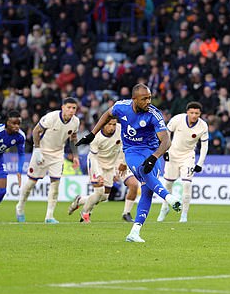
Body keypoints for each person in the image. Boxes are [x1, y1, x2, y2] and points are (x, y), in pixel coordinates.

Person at [76, 83, 181, 242]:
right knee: (143, 171)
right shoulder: (121, 107)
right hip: (132, 150)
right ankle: (168, 197)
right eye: (144, 99)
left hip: (151, 151)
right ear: (134, 99)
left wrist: (154, 157)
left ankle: (135, 232)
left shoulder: (154, 114)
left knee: (147, 191)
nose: (148, 102)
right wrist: (92, 134)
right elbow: (107, 114)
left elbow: (166, 141)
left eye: (150, 98)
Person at [15, 97, 80, 223]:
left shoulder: (75, 121)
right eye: (69, 108)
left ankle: (49, 216)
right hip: (42, 152)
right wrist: (37, 150)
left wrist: (75, 155)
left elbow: (73, 138)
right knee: (31, 183)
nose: (71, 110)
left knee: (55, 185)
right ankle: (20, 207)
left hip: (57, 154)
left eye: (74, 108)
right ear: (62, 108)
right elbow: (35, 131)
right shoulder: (51, 117)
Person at [67, 117, 141, 223]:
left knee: (104, 197)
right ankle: (85, 214)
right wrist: (98, 174)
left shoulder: (121, 129)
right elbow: (93, 158)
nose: (112, 127)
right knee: (99, 192)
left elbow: (126, 146)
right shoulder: (96, 137)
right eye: (109, 124)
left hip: (110, 166)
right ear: (103, 125)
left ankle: (80, 200)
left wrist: (122, 164)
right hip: (96, 164)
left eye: (114, 124)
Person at [157, 101, 209, 223]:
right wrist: (165, 150)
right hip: (173, 155)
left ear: (200, 113)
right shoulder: (177, 119)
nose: (194, 115)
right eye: (191, 112)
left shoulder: (203, 126)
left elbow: (205, 145)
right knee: (168, 184)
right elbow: (166, 133)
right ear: (187, 112)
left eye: (196, 113)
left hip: (188, 157)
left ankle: (184, 214)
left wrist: (200, 163)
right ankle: (164, 208)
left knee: (186, 184)